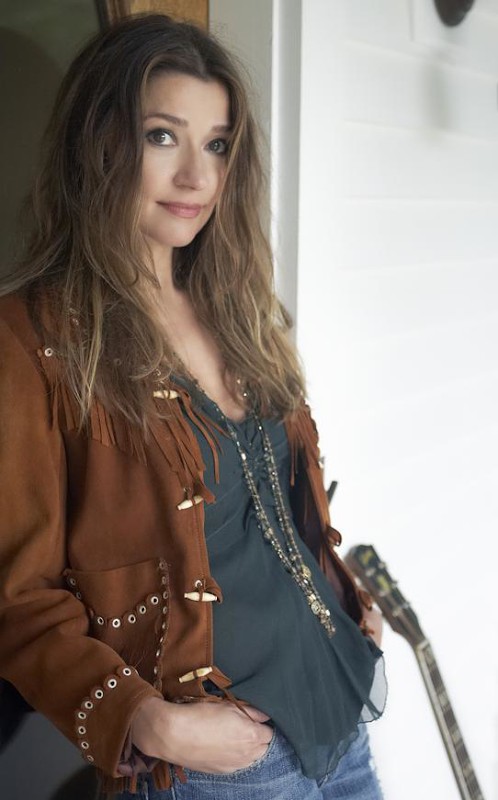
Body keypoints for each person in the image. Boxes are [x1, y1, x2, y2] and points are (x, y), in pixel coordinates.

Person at [0, 13, 387, 800]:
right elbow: (17, 596)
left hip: (336, 710)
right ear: (99, 141)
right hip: (219, 765)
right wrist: (145, 720)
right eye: (162, 137)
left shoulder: (236, 307)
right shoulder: (32, 339)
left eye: (216, 145)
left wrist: (341, 590)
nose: (196, 177)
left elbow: (267, 507)